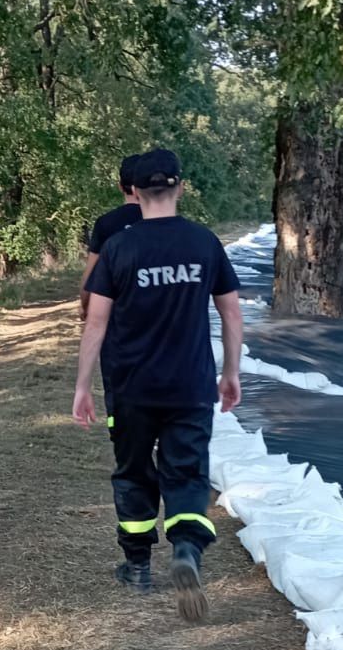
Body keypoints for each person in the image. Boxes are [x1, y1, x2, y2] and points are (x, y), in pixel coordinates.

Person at [72, 147, 243, 623]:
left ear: (135, 192)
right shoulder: (204, 243)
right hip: (190, 385)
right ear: (180, 187)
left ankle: (138, 565)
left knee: (132, 471)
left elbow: (96, 324)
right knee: (186, 471)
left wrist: (83, 386)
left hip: (131, 387)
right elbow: (231, 312)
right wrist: (230, 372)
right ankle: (187, 548)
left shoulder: (119, 249)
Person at [79, 154, 142, 324]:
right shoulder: (160, 223)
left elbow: (91, 274)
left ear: (120, 187)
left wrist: (85, 306)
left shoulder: (105, 223)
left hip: (116, 317)